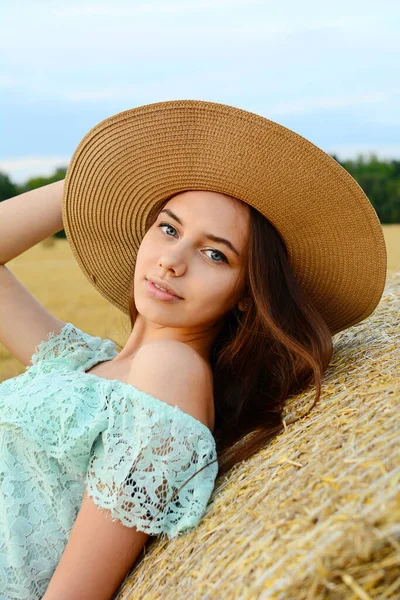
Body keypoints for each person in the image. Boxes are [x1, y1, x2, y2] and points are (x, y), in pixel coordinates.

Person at [0, 99, 387, 599]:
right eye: (168, 227)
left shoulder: (171, 371)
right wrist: (94, 180)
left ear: (247, 295)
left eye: (214, 253)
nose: (172, 261)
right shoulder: (83, 362)